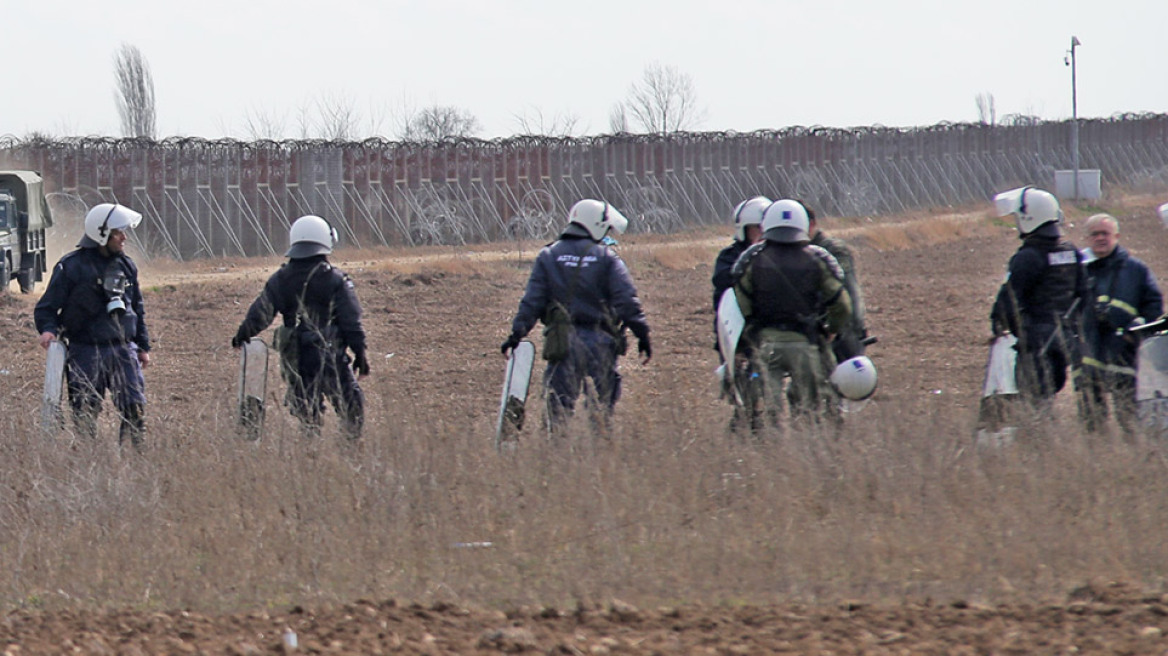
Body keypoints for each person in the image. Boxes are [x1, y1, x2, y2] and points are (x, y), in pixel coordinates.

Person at [501, 199, 651, 433]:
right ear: (597, 225)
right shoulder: (606, 258)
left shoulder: (548, 256)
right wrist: (642, 334)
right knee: (601, 417)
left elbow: (531, 302)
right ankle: (600, 462)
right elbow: (627, 301)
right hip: (601, 343)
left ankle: (555, 461)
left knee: (556, 418)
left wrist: (516, 334)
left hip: (562, 346)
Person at [232, 215, 369, 439]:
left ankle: (309, 454)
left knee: (307, 416)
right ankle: (348, 453)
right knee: (352, 409)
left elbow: (260, 314)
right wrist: (361, 356)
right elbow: (351, 323)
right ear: (326, 241)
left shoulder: (281, 279)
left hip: (297, 358)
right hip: (331, 358)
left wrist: (241, 336)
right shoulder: (336, 280)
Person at [34, 203, 151, 447]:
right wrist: (47, 330)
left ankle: (135, 459)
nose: (124, 237)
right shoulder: (71, 267)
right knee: (84, 413)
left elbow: (137, 308)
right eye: (119, 232)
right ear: (102, 234)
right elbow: (46, 308)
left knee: (135, 410)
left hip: (123, 349)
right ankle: (88, 459)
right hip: (85, 350)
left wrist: (142, 346)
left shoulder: (126, 266)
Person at [732, 198, 851, 425]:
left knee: (768, 411)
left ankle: (770, 451)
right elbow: (842, 305)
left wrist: (751, 329)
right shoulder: (818, 260)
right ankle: (805, 451)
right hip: (805, 346)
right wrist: (831, 330)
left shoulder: (753, 260)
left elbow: (739, 301)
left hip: (766, 347)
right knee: (809, 411)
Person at [990, 186, 1089, 412]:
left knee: (1033, 404)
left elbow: (1011, 298)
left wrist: (999, 322)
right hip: (1063, 340)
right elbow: (1083, 295)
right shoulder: (1071, 252)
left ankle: (1040, 444)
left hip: (1035, 343)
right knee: (1046, 397)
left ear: (1029, 217)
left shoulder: (1028, 257)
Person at [1078, 213, 1162, 432]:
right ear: (1087, 238)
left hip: (1123, 351)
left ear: (1116, 236)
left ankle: (1130, 455)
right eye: (1094, 234)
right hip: (1088, 352)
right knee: (1091, 416)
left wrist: (1136, 334)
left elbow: (1153, 305)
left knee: (1128, 414)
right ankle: (1097, 454)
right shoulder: (1079, 270)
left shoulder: (1136, 270)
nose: (1100, 238)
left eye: (1104, 233)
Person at [712, 196, 769, 430]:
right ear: (744, 230)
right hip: (739, 335)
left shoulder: (777, 255)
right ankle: (744, 423)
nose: (762, 234)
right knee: (743, 392)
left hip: (766, 332)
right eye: (758, 228)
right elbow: (723, 280)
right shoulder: (729, 257)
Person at [801, 200, 870, 362]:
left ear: (811, 224)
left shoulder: (833, 250)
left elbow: (846, 292)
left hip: (839, 332)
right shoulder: (795, 254)